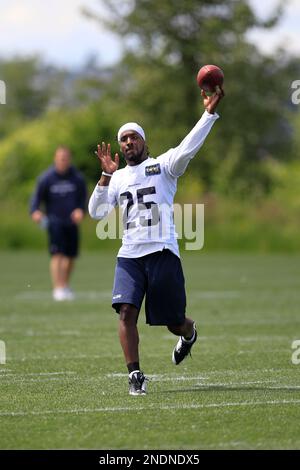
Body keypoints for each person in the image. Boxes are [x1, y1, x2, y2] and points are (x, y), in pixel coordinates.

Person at [88, 87, 224, 395]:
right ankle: (135, 374)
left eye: (133, 136)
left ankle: (188, 333)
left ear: (144, 141)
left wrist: (208, 114)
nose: (128, 142)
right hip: (130, 256)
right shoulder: (117, 177)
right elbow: (95, 212)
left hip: (162, 252)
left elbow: (188, 148)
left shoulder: (163, 166)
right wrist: (104, 177)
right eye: (123, 139)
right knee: (126, 312)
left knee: (173, 323)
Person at [30, 146, 87, 301]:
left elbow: (83, 199)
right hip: (54, 221)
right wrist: (35, 211)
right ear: (56, 158)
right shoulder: (46, 178)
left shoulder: (77, 178)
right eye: (61, 158)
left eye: (66, 158)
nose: (63, 160)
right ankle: (58, 287)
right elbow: (36, 198)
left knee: (70, 255)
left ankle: (65, 285)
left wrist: (81, 210)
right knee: (57, 254)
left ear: (70, 159)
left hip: (72, 222)